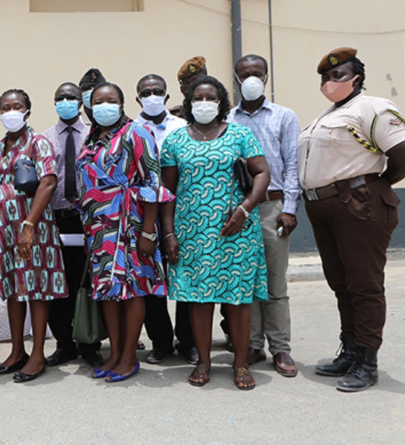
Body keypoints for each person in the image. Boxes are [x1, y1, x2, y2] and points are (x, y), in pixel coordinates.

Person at [300, 48, 405, 392]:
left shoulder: (372, 107)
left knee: (364, 286)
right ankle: (350, 351)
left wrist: (374, 184)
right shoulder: (326, 115)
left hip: (358, 204)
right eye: (325, 77)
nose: (329, 82)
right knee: (342, 285)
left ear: (356, 78)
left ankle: (368, 362)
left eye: (338, 75)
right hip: (323, 206)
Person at [159, 76, 270, 390]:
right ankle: (203, 362)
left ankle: (240, 364)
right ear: (189, 104)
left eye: (210, 97)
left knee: (238, 299)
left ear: (221, 102)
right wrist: (168, 233)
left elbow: (261, 172)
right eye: (198, 98)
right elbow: (167, 191)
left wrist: (245, 208)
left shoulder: (240, 134)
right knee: (198, 298)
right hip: (191, 233)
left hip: (236, 230)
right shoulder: (176, 140)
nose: (203, 103)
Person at [78, 81, 173, 382]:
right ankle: (115, 353)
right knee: (107, 292)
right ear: (90, 106)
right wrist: (87, 233)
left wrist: (148, 233)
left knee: (133, 290)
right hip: (99, 229)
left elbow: (153, 185)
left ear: (121, 104)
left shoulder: (137, 134)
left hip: (130, 225)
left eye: (111, 100)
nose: (104, 105)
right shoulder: (91, 140)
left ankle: (130, 357)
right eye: (98, 101)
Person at [0, 89, 68, 383]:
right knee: (13, 287)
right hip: (6, 229)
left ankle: (37, 354)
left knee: (35, 288)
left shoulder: (38, 143)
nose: (11, 112)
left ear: (27, 112)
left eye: (16, 107)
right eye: (5, 107)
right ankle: (17, 350)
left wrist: (29, 224)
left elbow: (47, 182)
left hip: (32, 228)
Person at [230, 54, 302, 378]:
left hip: (272, 206)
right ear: (236, 78)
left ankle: (281, 347)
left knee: (274, 281)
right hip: (240, 209)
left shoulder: (284, 117)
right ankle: (252, 345)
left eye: (257, 73)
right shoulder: (228, 120)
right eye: (245, 74)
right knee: (246, 281)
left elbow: (292, 165)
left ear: (267, 77)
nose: (251, 79)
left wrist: (289, 208)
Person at [133, 74, 196, 366]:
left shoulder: (183, 128)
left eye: (158, 91)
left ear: (168, 97)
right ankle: (160, 341)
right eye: (146, 92)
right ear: (137, 99)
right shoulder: (130, 130)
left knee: (184, 275)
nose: (152, 95)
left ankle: (188, 340)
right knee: (149, 276)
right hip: (142, 213)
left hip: (180, 211)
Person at [40, 82, 102, 368]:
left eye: (71, 97)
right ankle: (64, 344)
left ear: (81, 102)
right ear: (54, 103)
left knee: (88, 282)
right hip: (55, 220)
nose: (66, 101)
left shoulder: (95, 135)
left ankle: (90, 343)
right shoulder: (44, 139)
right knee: (59, 285)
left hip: (87, 218)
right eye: (60, 98)